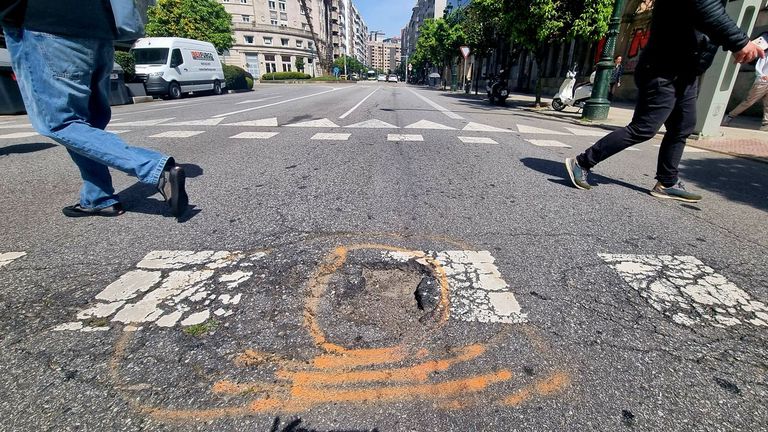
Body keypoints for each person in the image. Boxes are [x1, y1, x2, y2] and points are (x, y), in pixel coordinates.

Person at [1, 0, 188, 218]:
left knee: (59, 123)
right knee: (88, 123)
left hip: (47, 25)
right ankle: (98, 198)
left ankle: (155, 168)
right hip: (99, 31)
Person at [565, 0, 765, 203]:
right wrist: (740, 42)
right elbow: (706, 9)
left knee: (682, 127)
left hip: (685, 72)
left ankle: (667, 182)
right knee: (644, 128)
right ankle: (582, 162)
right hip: (662, 69)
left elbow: (707, 22)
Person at [721, 33, 768, 131]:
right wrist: (761, 75)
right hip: (763, 80)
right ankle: (729, 117)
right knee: (749, 101)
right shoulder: (765, 44)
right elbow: (758, 60)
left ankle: (765, 124)